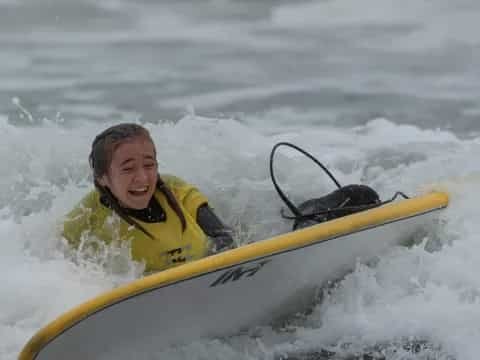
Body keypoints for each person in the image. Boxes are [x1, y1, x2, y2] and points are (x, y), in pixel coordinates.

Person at [63, 123, 234, 273]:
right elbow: (56, 269)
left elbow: (224, 238)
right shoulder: (85, 219)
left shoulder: (175, 190)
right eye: (128, 169)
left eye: (149, 165)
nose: (142, 178)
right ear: (103, 177)